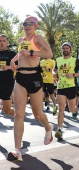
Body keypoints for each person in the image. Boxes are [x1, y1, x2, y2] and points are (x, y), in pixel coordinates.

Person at [7, 16, 53, 162]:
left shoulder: (37, 38)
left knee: (37, 114)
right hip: (20, 77)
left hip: (34, 77)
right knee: (19, 113)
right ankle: (17, 151)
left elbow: (49, 53)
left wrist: (33, 53)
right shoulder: (21, 40)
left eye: (30, 24)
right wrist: (13, 60)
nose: (27, 26)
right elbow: (21, 53)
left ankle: (48, 128)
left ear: (35, 26)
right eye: (25, 24)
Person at [54, 42, 79, 140]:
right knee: (61, 108)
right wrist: (54, 74)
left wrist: (73, 75)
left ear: (70, 50)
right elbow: (54, 70)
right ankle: (59, 130)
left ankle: (75, 110)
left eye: (67, 48)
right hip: (61, 87)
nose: (65, 49)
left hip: (72, 87)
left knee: (72, 108)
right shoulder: (58, 60)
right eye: (63, 48)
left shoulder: (75, 60)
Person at [0, 34, 16, 117]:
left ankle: (17, 117)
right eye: (0, 41)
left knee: (7, 110)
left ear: (7, 43)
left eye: (4, 41)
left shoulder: (12, 54)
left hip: (7, 83)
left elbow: (19, 67)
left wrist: (8, 67)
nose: (1, 43)